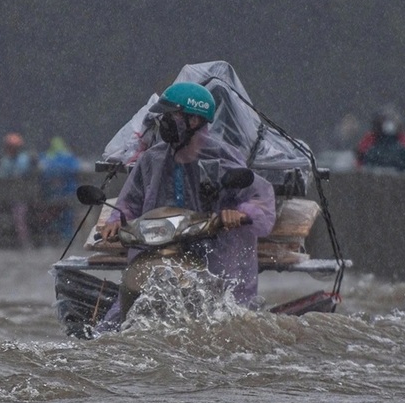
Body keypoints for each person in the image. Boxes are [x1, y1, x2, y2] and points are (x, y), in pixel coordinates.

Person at [96, 82, 276, 330]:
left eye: (172, 116)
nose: (164, 122)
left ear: (194, 121)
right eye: (164, 116)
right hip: (159, 250)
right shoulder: (152, 159)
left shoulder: (223, 157)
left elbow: (261, 199)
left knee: (227, 321)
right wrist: (116, 222)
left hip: (214, 252)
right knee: (113, 324)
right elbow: (130, 201)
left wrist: (239, 214)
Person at [38, 136, 81, 240]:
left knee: (55, 215)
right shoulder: (69, 158)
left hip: (51, 196)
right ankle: (66, 235)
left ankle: (56, 236)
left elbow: (43, 173)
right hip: (68, 195)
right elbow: (76, 169)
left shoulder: (47, 158)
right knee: (66, 215)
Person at [0, 132, 33, 248]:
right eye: (9, 147)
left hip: (22, 196)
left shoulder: (24, 159)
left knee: (19, 217)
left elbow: (23, 174)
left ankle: (24, 241)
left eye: (13, 147)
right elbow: (1, 176)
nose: (11, 149)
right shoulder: (5, 160)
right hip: (6, 196)